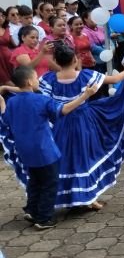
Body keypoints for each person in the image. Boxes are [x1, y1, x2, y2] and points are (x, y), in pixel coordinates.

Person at [33, 45, 124, 209]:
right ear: (75, 59)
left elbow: (35, 89)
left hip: (60, 123)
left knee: (66, 157)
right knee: (85, 156)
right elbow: (114, 80)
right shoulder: (86, 75)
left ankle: (71, 196)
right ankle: (89, 198)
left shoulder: (48, 79)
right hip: (83, 121)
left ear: (56, 61)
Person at [0, 66, 99, 229]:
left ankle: (32, 210)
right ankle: (44, 218)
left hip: (24, 150)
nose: (38, 79)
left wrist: (2, 102)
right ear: (29, 82)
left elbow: (6, 120)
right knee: (49, 183)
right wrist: (85, 95)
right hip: (44, 150)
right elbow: (64, 109)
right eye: (35, 77)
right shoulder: (41, 100)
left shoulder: (13, 102)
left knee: (35, 181)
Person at [0, 9, 15, 86]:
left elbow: (15, 44)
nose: (1, 18)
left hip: (8, 57)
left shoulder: (7, 28)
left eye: (2, 16)